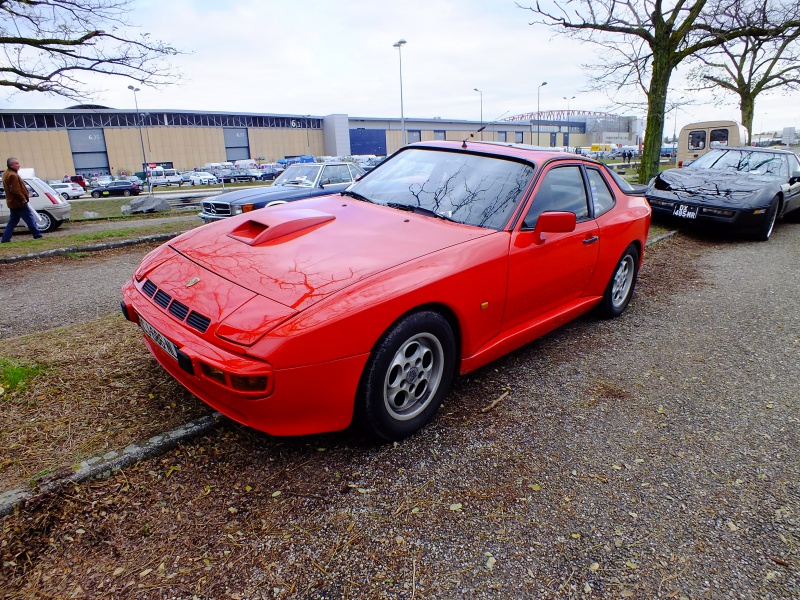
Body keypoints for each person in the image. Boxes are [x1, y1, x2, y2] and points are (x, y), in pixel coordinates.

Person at [1, 157, 43, 243]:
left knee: (13, 221)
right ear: (11, 165)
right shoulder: (12, 175)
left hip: (13, 202)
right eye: (16, 163)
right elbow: (15, 190)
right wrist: (23, 199)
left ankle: (5, 239)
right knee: (29, 218)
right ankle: (37, 235)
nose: (18, 165)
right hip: (18, 202)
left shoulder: (6, 173)